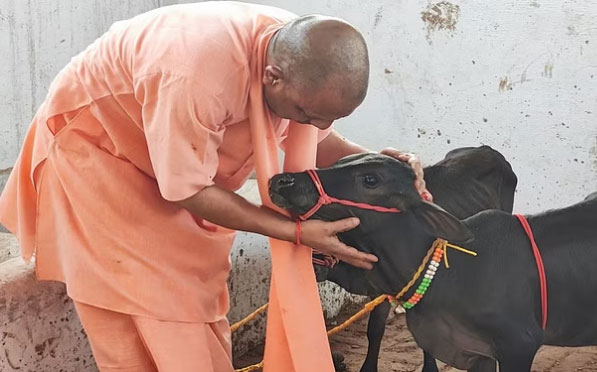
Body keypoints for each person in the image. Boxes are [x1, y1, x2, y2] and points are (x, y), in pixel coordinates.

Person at [0, 2, 431, 371]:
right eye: (305, 113)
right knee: (143, 303)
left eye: (327, 117)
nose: (314, 127)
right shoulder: (194, 76)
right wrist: (295, 232)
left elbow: (319, 141)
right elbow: (187, 190)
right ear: (273, 77)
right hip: (102, 158)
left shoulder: (297, 59)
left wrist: (383, 165)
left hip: (168, 161)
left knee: (193, 300)